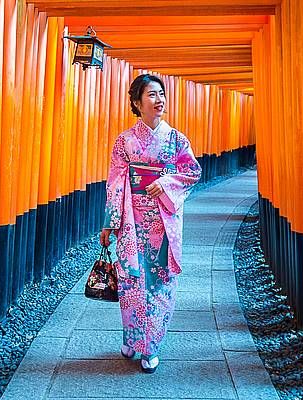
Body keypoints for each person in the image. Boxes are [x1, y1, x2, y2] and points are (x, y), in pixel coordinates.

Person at [100, 74, 202, 373]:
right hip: (132, 218)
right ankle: (132, 337)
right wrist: (109, 223)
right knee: (131, 278)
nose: (160, 101)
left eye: (162, 94)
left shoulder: (177, 140)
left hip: (163, 218)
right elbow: (116, 182)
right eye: (152, 95)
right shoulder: (125, 142)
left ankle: (152, 345)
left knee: (160, 281)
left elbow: (192, 172)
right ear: (136, 102)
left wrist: (166, 181)